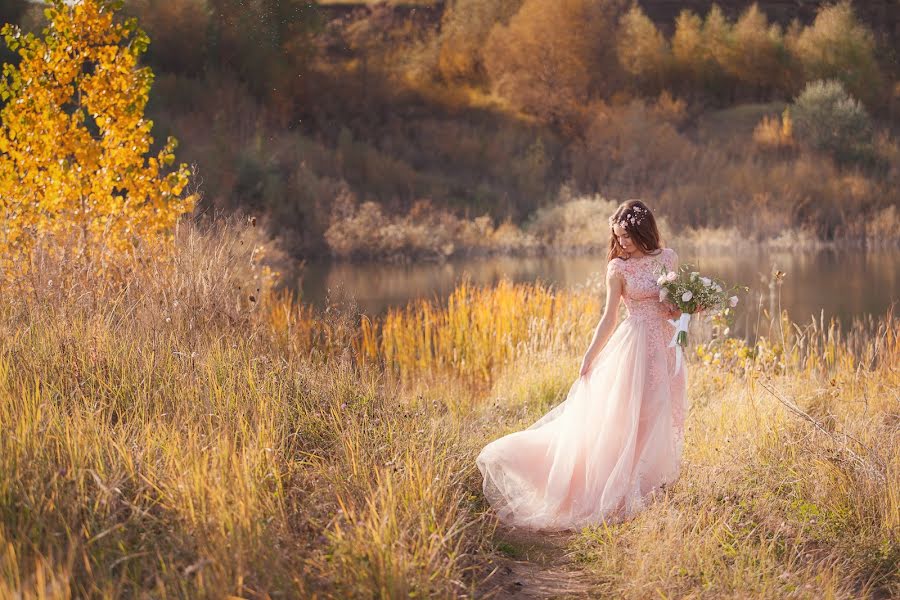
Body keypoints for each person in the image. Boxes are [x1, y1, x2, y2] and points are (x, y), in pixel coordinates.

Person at [476, 199, 688, 531]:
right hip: (632, 349)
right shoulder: (618, 268)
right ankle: (619, 491)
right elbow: (609, 317)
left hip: (663, 347)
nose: (622, 244)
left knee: (657, 411)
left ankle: (645, 487)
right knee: (626, 417)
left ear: (643, 230)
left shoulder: (668, 258)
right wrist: (589, 355)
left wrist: (689, 307)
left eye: (628, 237)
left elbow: (673, 309)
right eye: (618, 237)